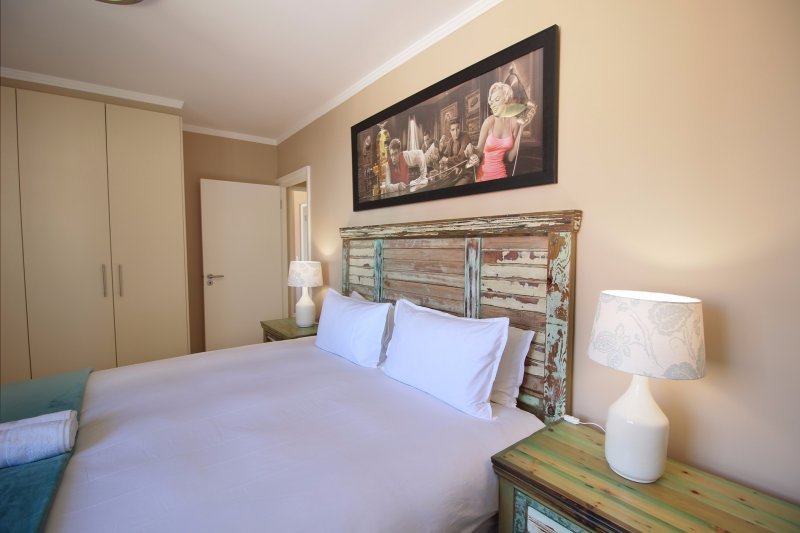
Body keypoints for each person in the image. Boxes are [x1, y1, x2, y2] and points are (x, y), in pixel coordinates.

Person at [469, 82, 536, 181]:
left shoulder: (514, 122)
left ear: (506, 99)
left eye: (497, 99)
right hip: (482, 177)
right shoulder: (489, 122)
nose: (493, 104)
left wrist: (522, 128)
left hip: (501, 174)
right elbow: (478, 151)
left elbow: (510, 157)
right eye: (492, 102)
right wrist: (471, 150)